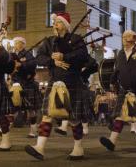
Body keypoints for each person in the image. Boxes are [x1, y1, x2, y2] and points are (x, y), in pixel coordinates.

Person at [24, 12, 90, 160]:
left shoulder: (76, 39)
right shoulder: (49, 41)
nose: (55, 25)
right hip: (55, 82)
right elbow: (39, 58)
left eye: (58, 23)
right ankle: (40, 148)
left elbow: (83, 57)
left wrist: (64, 57)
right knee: (47, 115)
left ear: (66, 25)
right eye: (54, 23)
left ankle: (78, 148)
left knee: (74, 118)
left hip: (72, 82)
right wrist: (52, 61)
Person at [10, 36, 42, 138]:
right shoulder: (13, 55)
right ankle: (5, 127)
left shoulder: (28, 54)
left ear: (23, 44)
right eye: (15, 43)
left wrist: (21, 65)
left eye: (18, 43)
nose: (16, 45)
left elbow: (33, 65)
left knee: (30, 109)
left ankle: (33, 131)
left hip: (27, 84)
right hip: (16, 84)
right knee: (13, 107)